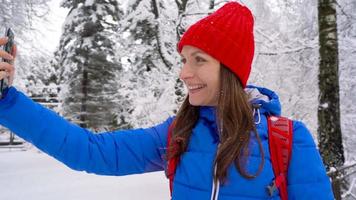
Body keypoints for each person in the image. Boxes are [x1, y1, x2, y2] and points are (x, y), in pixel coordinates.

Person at [0, 2, 334, 199]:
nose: (184, 73)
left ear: (230, 70)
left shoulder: (287, 140)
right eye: (184, 60)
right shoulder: (179, 134)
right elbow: (90, 151)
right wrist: (7, 100)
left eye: (199, 60)